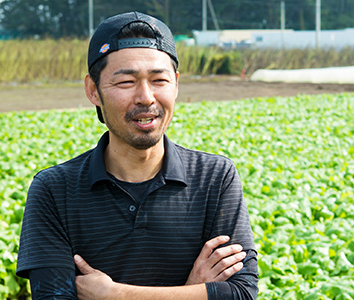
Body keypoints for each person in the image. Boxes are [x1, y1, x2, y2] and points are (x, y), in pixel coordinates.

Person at [16, 11, 258, 300]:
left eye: (159, 80)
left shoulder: (215, 178)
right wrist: (192, 292)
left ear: (176, 84)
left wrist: (113, 294)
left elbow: (241, 294)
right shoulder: (54, 189)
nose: (146, 97)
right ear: (93, 90)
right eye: (126, 82)